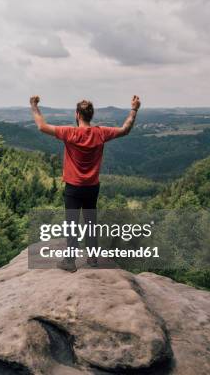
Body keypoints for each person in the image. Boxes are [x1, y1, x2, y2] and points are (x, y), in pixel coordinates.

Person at [29, 95, 141, 271]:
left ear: (77, 115)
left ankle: (70, 261)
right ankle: (93, 258)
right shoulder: (100, 133)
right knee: (90, 221)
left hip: (73, 187)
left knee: (72, 223)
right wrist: (134, 109)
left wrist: (34, 105)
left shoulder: (70, 133)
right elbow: (125, 129)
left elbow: (41, 126)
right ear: (91, 115)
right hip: (92, 186)